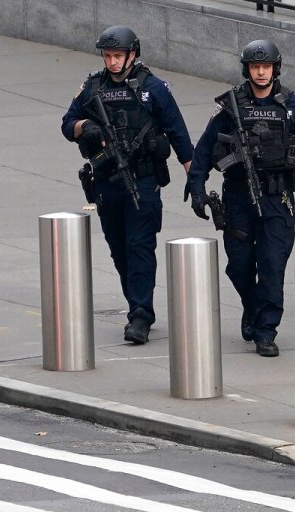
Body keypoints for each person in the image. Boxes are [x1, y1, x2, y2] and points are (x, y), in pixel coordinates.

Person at [188, 40, 295, 358]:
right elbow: (204, 149)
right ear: (247, 69)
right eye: (256, 67)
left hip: (278, 196)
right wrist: (198, 188)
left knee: (272, 265)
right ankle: (253, 307)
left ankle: (265, 330)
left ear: (275, 68)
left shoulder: (290, 105)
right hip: (238, 196)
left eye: (266, 67)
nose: (261, 72)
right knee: (240, 265)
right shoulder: (231, 106)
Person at [61, 26, 194, 344]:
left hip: (144, 181)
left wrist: (195, 178)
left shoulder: (154, 88)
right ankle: (137, 301)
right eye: (107, 56)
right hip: (107, 183)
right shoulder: (92, 87)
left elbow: (178, 133)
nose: (112, 62)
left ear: (132, 54)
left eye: (118, 56)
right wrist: (85, 126)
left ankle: (140, 315)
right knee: (119, 249)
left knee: (139, 247)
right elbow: (67, 124)